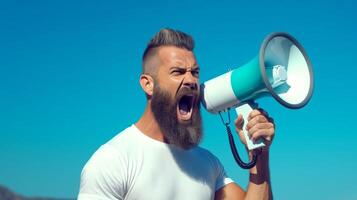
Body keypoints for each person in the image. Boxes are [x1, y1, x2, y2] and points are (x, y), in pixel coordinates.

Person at [78, 28, 275, 200]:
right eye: (178, 72)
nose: (191, 80)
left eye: (195, 72)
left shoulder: (208, 164)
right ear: (148, 84)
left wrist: (259, 152)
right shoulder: (113, 160)